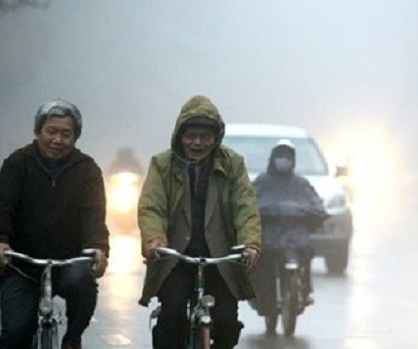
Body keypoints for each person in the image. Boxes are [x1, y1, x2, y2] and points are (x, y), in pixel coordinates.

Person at [0, 98, 110, 349]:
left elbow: (94, 215)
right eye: (51, 131)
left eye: (66, 134)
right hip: (21, 263)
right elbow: (2, 209)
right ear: (38, 131)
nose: (58, 140)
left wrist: (98, 248)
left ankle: (73, 339)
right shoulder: (17, 164)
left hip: (67, 261)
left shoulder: (87, 170)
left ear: (75, 138)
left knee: (83, 284)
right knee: (15, 332)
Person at [137, 95, 262, 349]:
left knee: (227, 321)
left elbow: (245, 206)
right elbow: (152, 207)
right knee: (172, 315)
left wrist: (250, 243)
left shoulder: (233, 163)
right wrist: (154, 239)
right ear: (179, 135)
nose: (197, 143)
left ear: (216, 138)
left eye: (205, 137)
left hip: (220, 260)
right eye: (190, 135)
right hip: (175, 259)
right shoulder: (162, 164)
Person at [250, 138, 327, 331]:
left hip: (296, 236)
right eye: (280, 156)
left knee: (306, 252)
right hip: (269, 236)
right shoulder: (262, 182)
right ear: (273, 158)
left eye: (287, 156)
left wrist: (314, 212)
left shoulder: (301, 183)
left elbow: (316, 204)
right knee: (262, 260)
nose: (283, 160)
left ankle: (305, 290)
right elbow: (248, 205)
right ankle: (261, 297)